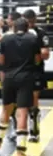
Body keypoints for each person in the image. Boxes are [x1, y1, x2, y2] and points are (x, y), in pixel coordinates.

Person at [0, 16, 42, 156]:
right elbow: (38, 60)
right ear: (27, 28)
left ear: (14, 27)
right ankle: (20, 150)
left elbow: (1, 60)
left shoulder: (6, 39)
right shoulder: (32, 39)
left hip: (9, 78)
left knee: (6, 110)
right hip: (26, 78)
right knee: (22, 112)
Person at [23, 9, 50, 144]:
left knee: (33, 101)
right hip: (19, 71)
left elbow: (45, 54)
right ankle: (20, 130)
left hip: (34, 71)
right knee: (18, 102)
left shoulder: (40, 34)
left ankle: (34, 131)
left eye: (30, 21)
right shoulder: (18, 33)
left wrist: (32, 56)